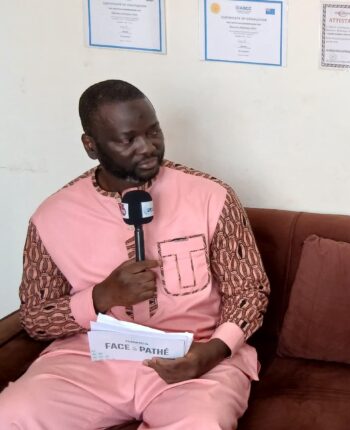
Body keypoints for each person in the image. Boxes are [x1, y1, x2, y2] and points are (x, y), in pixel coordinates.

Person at [0, 80, 270, 429]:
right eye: (128, 140)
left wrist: (213, 351)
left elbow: (249, 291)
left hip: (195, 356)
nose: (148, 147)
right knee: (11, 415)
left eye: (153, 131)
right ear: (91, 146)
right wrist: (101, 296)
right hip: (91, 361)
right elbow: (36, 318)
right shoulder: (51, 217)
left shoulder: (211, 196)